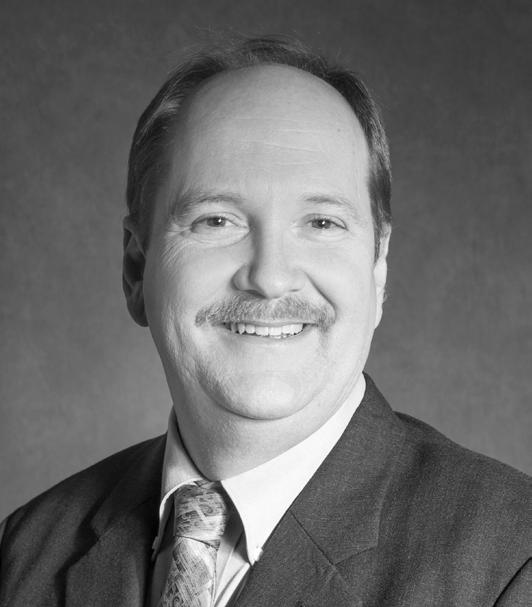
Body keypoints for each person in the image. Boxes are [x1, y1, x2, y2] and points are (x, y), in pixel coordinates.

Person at [0, 36, 530, 607]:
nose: (271, 277)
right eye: (216, 220)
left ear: (377, 271)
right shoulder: (25, 551)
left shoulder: (511, 562)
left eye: (322, 223)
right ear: (136, 269)